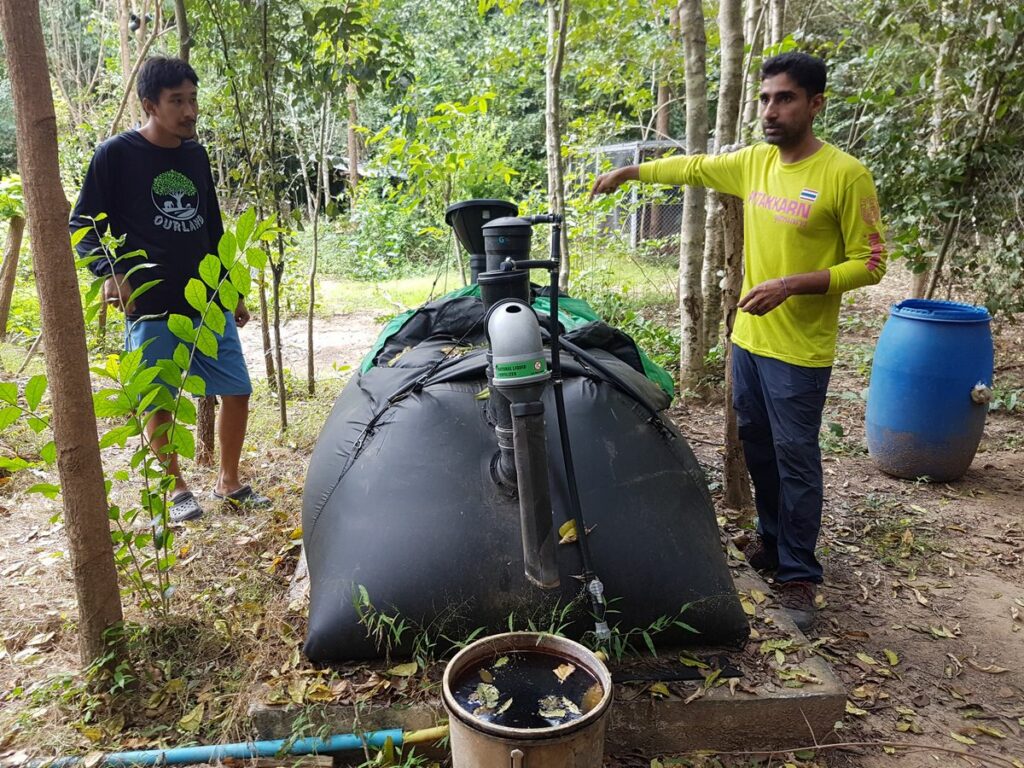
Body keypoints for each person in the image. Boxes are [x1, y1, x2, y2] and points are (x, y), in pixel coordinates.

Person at [591, 52, 886, 630]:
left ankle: (800, 577)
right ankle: (773, 545)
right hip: (750, 340)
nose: (771, 110)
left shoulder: (844, 175)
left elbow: (871, 263)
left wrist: (792, 285)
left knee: (796, 459)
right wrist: (629, 173)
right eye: (765, 98)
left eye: (785, 98)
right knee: (759, 448)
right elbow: (694, 169)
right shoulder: (754, 163)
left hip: (800, 352)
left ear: (815, 104)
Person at [71, 56, 270, 524]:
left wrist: (233, 288)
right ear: (150, 105)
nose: (189, 111)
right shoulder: (115, 155)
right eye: (177, 101)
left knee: (238, 390)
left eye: (193, 99)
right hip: (151, 304)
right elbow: (82, 223)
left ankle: (229, 481)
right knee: (160, 400)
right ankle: (176, 487)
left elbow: (213, 225)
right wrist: (110, 271)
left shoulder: (194, 155)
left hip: (206, 299)